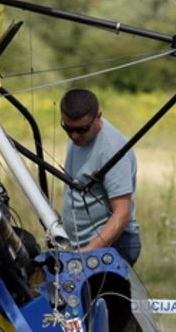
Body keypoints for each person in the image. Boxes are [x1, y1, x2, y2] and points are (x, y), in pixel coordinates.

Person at [60, 88, 140, 266]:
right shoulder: (80, 137)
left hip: (115, 245)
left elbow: (122, 213)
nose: (74, 136)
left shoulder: (112, 150)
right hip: (83, 246)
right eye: (68, 128)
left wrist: (87, 253)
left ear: (98, 116)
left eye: (81, 129)